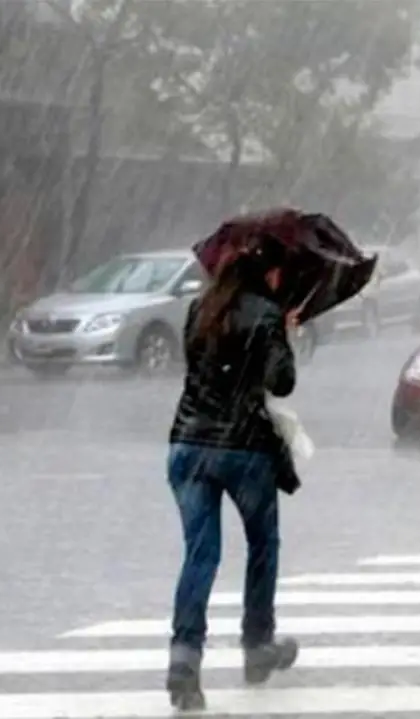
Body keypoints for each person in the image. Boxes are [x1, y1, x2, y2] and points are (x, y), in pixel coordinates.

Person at [165, 233, 302, 710]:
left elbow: (202, 372)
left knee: (200, 555)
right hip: (243, 449)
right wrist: (284, 332)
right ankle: (257, 645)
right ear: (266, 273)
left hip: (187, 445)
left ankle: (184, 658)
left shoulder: (198, 310)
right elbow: (281, 382)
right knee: (262, 545)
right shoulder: (265, 314)